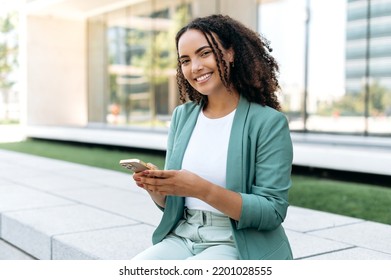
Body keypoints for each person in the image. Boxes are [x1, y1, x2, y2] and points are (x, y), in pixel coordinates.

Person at [132, 14, 293, 260]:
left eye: (204, 53)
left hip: (236, 241)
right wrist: (157, 189)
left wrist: (201, 189)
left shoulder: (268, 123)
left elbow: (272, 210)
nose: (195, 67)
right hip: (183, 235)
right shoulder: (182, 116)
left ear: (230, 53)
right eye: (185, 60)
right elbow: (174, 204)